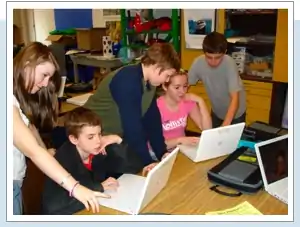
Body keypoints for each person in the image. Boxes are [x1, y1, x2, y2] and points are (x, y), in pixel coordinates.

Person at [53, 43, 181, 175]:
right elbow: (133, 128)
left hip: (110, 137)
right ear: (157, 67)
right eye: (167, 75)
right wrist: (148, 163)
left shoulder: (149, 83)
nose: (166, 80)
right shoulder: (128, 80)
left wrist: (162, 153)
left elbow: (152, 120)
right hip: (90, 139)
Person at [13, 42, 108, 215]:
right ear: (28, 64)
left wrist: (45, 150)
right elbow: (33, 151)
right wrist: (75, 188)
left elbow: (30, 129)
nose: (44, 83)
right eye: (44, 75)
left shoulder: (15, 100)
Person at [42, 107, 124, 215]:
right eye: (91, 137)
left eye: (99, 134)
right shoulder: (63, 161)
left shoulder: (96, 151)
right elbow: (55, 207)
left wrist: (118, 140)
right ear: (74, 139)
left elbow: (130, 168)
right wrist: (99, 187)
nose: (98, 141)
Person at [188, 31, 247, 128]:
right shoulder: (198, 62)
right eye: (209, 57)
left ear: (225, 52)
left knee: (232, 142)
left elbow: (235, 98)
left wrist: (224, 126)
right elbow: (185, 85)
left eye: (217, 57)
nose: (213, 62)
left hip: (236, 113)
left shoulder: (229, 64)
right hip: (217, 111)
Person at [156, 70, 212, 150]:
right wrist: (180, 140)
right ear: (165, 86)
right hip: (159, 152)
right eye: (177, 87)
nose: (182, 91)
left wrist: (200, 101)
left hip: (180, 148)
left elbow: (207, 130)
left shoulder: (187, 103)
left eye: (185, 86)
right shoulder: (157, 107)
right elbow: (156, 144)